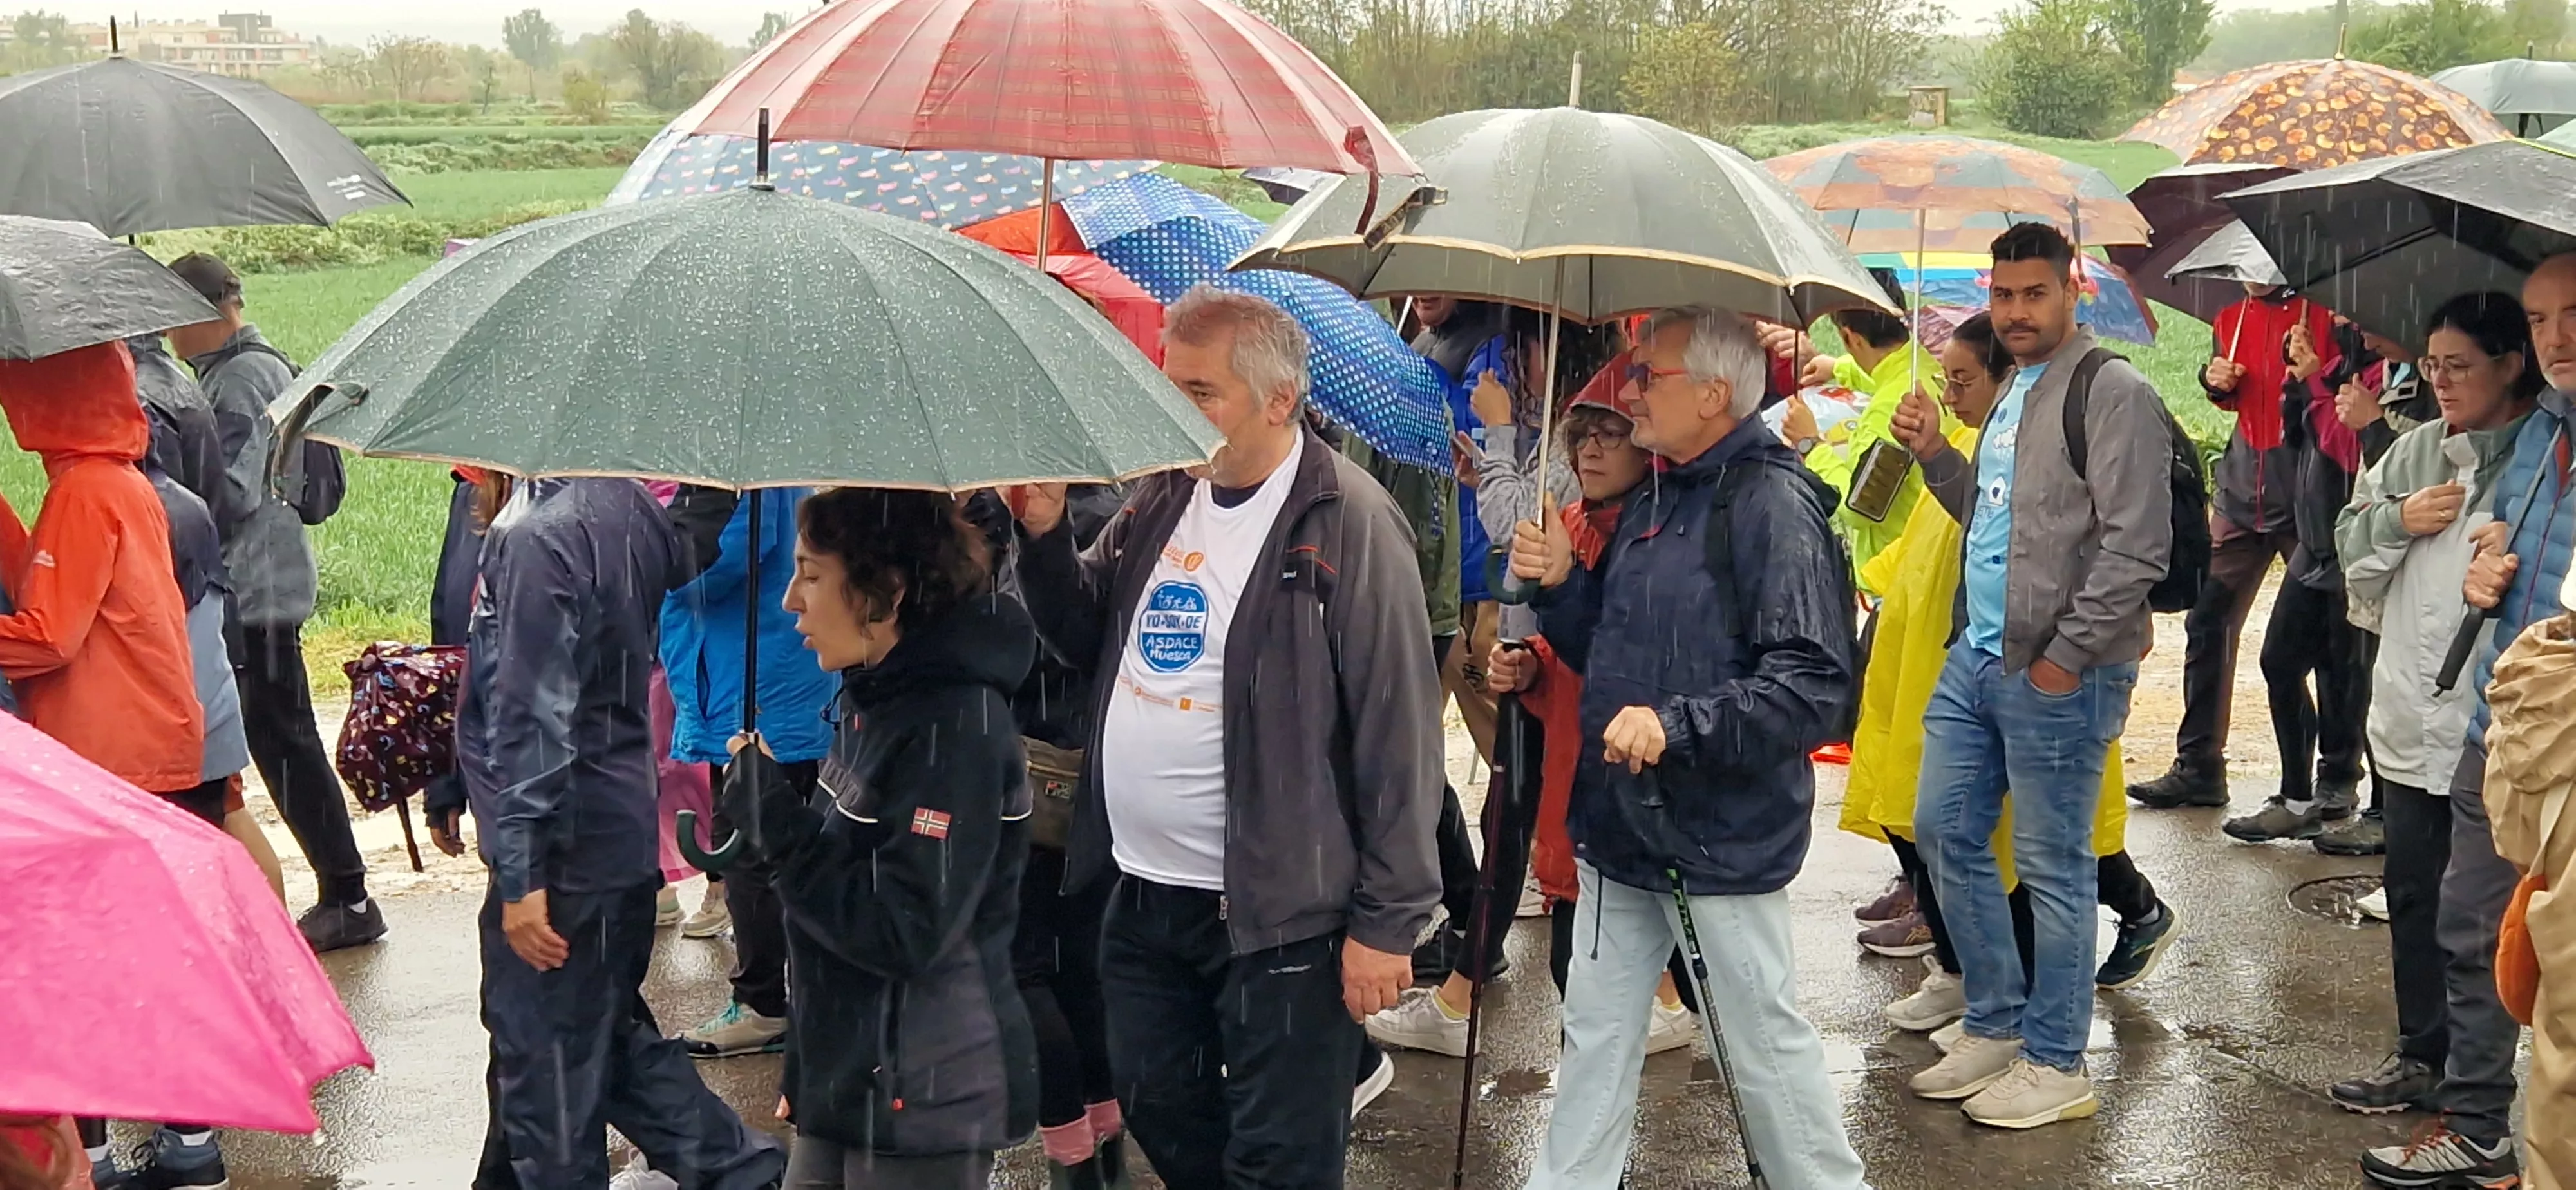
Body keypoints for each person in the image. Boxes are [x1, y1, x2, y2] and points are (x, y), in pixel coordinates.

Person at [1009, 287, 1441, 1189]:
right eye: (1170, 386)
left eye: (1200, 392)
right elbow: (1085, 636)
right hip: (1143, 890)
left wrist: (1389, 923)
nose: (1176, 409)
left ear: (1279, 399)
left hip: (1281, 915)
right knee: (1158, 1104)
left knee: (1282, 1155)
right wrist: (1044, 537)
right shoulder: (1167, 493)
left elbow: (1400, 737)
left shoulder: (1348, 521)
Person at [1498, 305, 1867, 1190]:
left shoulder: (1771, 503)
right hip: (1619, 826)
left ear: (1713, 393)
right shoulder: (1657, 493)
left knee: (1761, 1048)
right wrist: (1564, 587)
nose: (1627, 394)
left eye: (1647, 376)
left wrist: (1677, 726)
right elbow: (1614, 650)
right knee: (1594, 1035)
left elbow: (1816, 686)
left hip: (1715, 837)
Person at [1889, 222, 2172, 1129]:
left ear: (2071, 291)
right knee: (1944, 832)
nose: (2015, 312)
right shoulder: (2011, 390)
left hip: (2058, 673)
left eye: (2033, 294)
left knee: (2054, 866)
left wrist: (2063, 658)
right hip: (1975, 657)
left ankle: (2057, 1061)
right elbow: (1993, 521)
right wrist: (1935, 453)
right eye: (2003, 295)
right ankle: (1996, 1022)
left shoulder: (2111, 391)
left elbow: (2137, 547)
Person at [431, 477, 785, 1190]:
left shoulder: (538, 536)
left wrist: (523, 872)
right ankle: (749, 1174)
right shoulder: (626, 508)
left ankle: (747, 1174)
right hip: (610, 823)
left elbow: (533, 718)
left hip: (563, 846)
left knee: (548, 1073)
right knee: (595, 1042)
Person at [719, 486, 1037, 1189]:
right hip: (852, 1075)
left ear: (887, 592)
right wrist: (811, 1065)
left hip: (922, 1092)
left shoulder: (955, 730)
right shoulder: (872, 697)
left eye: (810, 576)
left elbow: (902, 931)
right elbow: (834, 899)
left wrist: (778, 822)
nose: (790, 603)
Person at [1373, 384, 1697, 1058]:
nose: (1591, 449)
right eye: (1582, 435)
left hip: (1633, 788)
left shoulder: (1657, 533)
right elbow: (1573, 651)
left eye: (1612, 434)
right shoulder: (1582, 517)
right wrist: (1531, 665)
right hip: (1575, 769)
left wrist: (1498, 440)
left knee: (1614, 979)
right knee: (1582, 974)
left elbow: (1622, 655)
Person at [2356, 254, 2576, 1188]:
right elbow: (2507, 534)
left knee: (2564, 964)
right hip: (2503, 721)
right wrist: (2493, 555)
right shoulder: (2546, 432)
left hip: (2567, 731)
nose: (2557, 337)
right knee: (2471, 924)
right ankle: (2480, 1125)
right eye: (2540, 318)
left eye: (2573, 314)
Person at [0, 342, 229, 1190]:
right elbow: (65, 593)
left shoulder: (84, 491)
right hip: (146, 748)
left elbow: (48, 635)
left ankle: (92, 1158)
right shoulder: (119, 481)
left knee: (81, 965)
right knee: (154, 954)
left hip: (103, 758)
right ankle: (189, 1141)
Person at [2327, 292, 2541, 1118]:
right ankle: (2422, 1054)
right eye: (2431, 366)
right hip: (2410, 709)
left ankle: (2486, 1088)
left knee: (2486, 915)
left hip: (2496, 726)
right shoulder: (2415, 449)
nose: (2441, 383)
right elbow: (2348, 544)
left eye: (2460, 367)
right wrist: (2396, 518)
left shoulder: (2541, 456)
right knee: (2416, 896)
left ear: (2510, 365)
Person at [165, 252, 381, 952]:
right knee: (282, 739)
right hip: (270, 585)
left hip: (256, 592)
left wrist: (165, 481)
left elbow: (227, 496)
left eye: (172, 317)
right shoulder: (251, 367)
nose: (168, 334)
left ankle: (347, 895)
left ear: (203, 311)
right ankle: (345, 893)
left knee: (285, 744)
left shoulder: (238, 382)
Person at [2132, 283, 2340, 811]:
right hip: (2242, 492)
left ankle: (2334, 779)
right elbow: (2237, 401)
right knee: (2208, 622)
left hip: (2308, 496)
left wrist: (2313, 373)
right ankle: (2199, 765)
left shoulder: (2325, 312)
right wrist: (2214, 382)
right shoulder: (2230, 316)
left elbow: (2340, 405)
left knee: (2321, 643)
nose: (2250, 277)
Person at [659, 488, 839, 1059]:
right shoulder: (766, 466)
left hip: (756, 689)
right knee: (772, 846)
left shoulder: (734, 478)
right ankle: (796, 999)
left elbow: (707, 567)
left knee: (751, 851)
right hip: (768, 680)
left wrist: (647, 546)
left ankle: (763, 1003)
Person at [2223, 307, 2375, 842]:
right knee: (2280, 661)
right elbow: (2296, 439)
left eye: (2350, 314)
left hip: (2355, 550)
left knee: (2350, 677)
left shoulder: (2376, 379)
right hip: (2315, 544)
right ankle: (2297, 794)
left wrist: (2315, 384)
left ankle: (2343, 789)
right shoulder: (2333, 368)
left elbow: (2348, 448)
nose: (2341, 319)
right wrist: (2299, 385)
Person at [1785, 272, 1947, 580]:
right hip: (1931, 554)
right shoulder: (1923, 367)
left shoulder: (1895, 414)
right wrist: (1837, 367)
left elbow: (1860, 509)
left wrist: (1810, 445)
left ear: (1850, 338)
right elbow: (1885, 374)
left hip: (1894, 578)